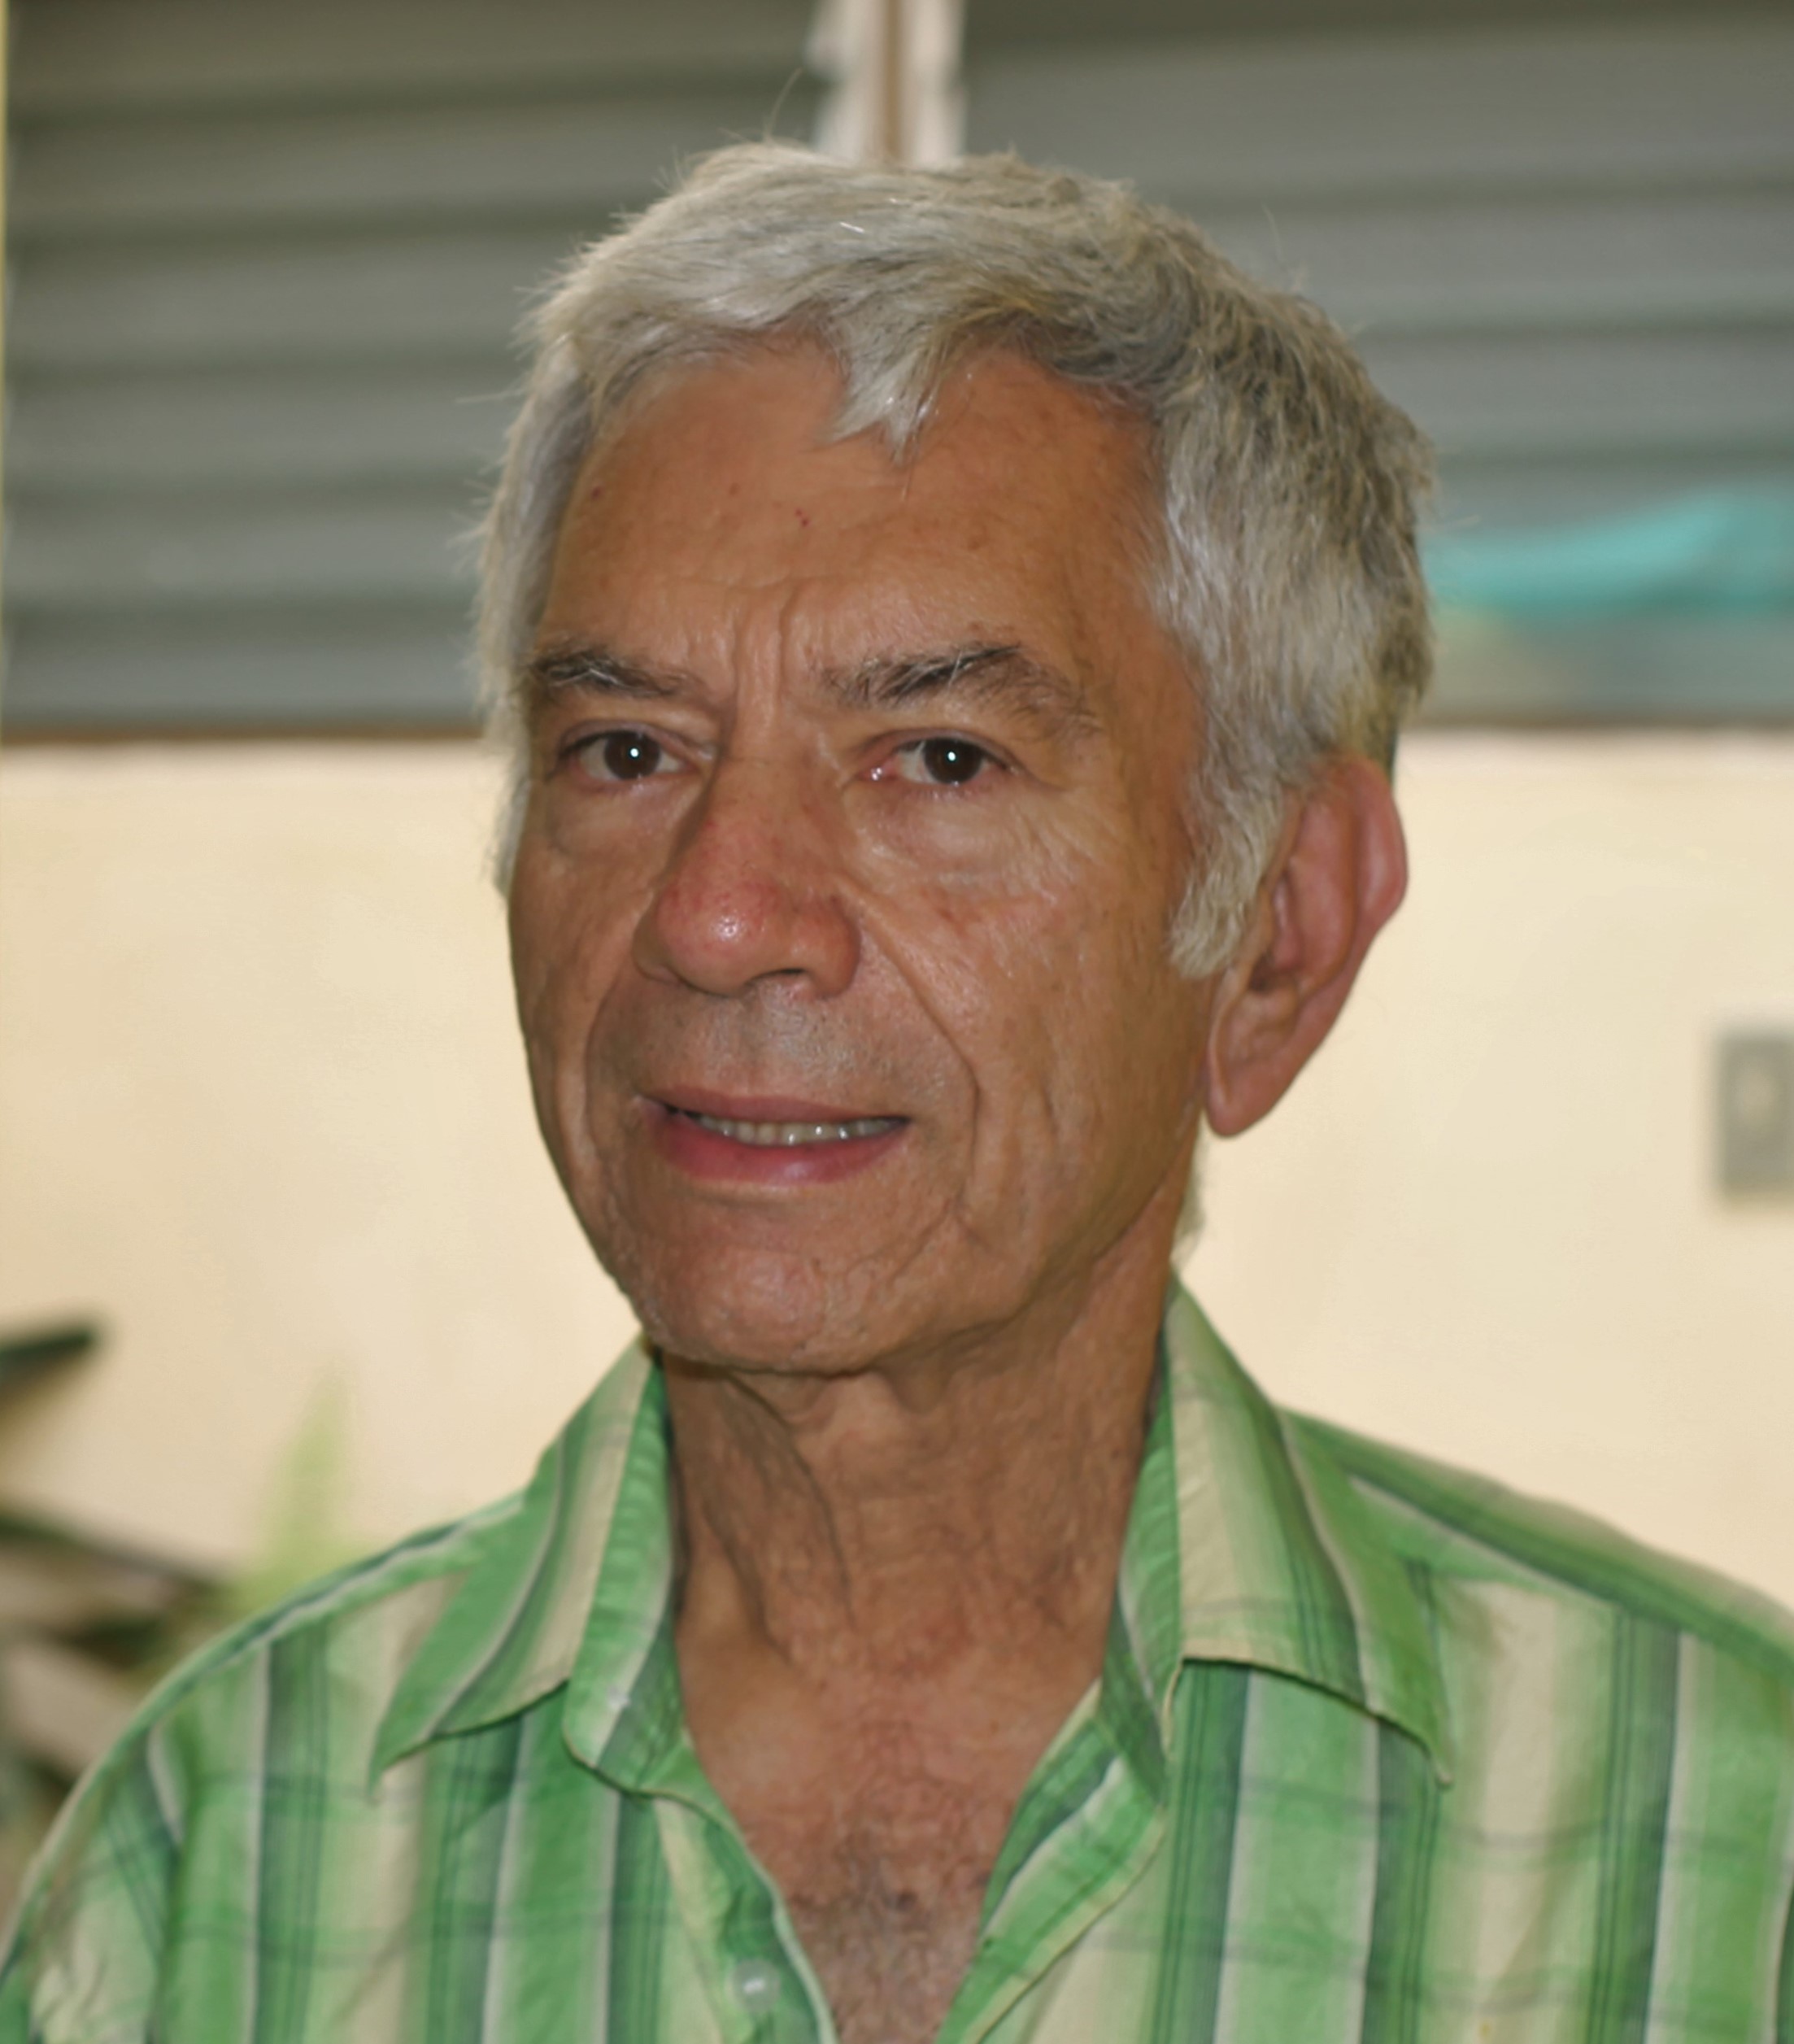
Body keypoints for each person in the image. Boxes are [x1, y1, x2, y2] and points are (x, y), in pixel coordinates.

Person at [3, 143, 1790, 2044]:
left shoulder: (1709, 1855)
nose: (715, 918)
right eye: (624, 749)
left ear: (1275, 934)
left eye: (937, 759)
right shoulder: (214, 1876)